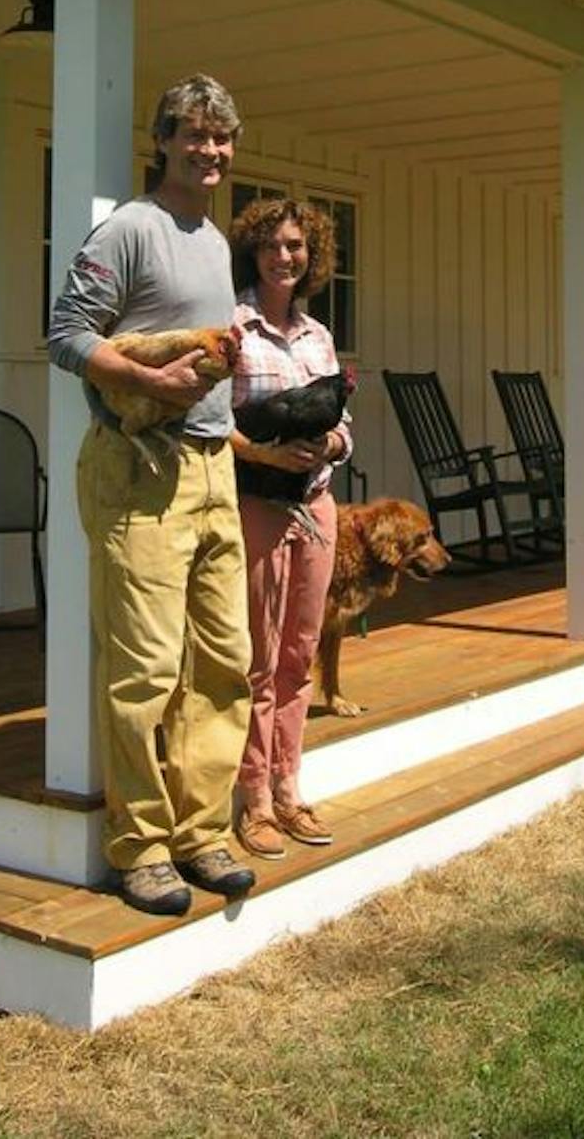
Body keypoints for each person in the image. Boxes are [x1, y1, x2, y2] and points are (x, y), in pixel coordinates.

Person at [46, 75, 257, 917]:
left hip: (212, 465)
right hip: (139, 470)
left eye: (223, 138)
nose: (211, 151)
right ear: (164, 139)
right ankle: (140, 848)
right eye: (196, 136)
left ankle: (204, 831)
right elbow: (65, 334)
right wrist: (146, 377)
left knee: (222, 662)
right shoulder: (129, 228)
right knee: (145, 670)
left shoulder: (211, 239)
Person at [227, 197, 352, 858]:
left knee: (300, 653)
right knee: (257, 655)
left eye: (297, 246)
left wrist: (330, 447)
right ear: (254, 250)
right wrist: (270, 454)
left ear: (312, 256)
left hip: (317, 504)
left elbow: (344, 426)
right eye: (273, 245)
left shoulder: (318, 335)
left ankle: (289, 784)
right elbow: (213, 423)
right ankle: (252, 799)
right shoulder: (232, 326)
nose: (285, 256)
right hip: (257, 506)